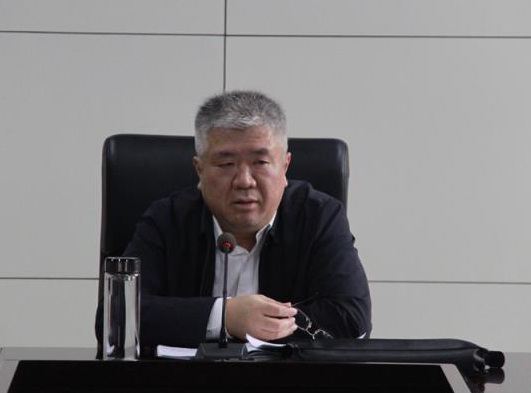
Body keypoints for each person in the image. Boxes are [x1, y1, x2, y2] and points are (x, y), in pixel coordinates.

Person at [108, 91, 371, 351]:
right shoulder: (168, 219)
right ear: (200, 170)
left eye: (260, 162)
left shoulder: (318, 217)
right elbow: (116, 317)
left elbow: (352, 319)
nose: (244, 181)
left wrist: (260, 323)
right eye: (226, 164)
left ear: (284, 167)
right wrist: (225, 316)